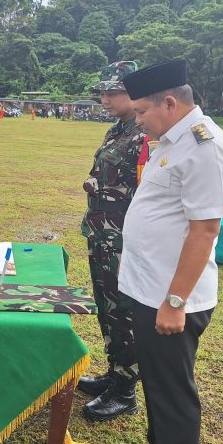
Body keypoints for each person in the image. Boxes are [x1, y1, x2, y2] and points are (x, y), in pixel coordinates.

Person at [113, 60, 223, 444]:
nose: (138, 120)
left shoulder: (205, 147)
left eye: (141, 111)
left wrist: (176, 301)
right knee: (156, 380)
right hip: (151, 288)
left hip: (172, 296)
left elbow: (205, 230)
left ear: (169, 102)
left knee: (172, 389)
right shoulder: (172, 140)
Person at [77, 68, 147, 422]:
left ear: (132, 93)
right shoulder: (118, 130)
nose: (104, 99)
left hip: (122, 238)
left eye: (111, 93)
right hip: (101, 234)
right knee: (107, 309)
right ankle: (113, 373)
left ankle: (125, 391)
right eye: (101, 93)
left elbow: (144, 191)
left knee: (123, 312)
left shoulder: (144, 135)